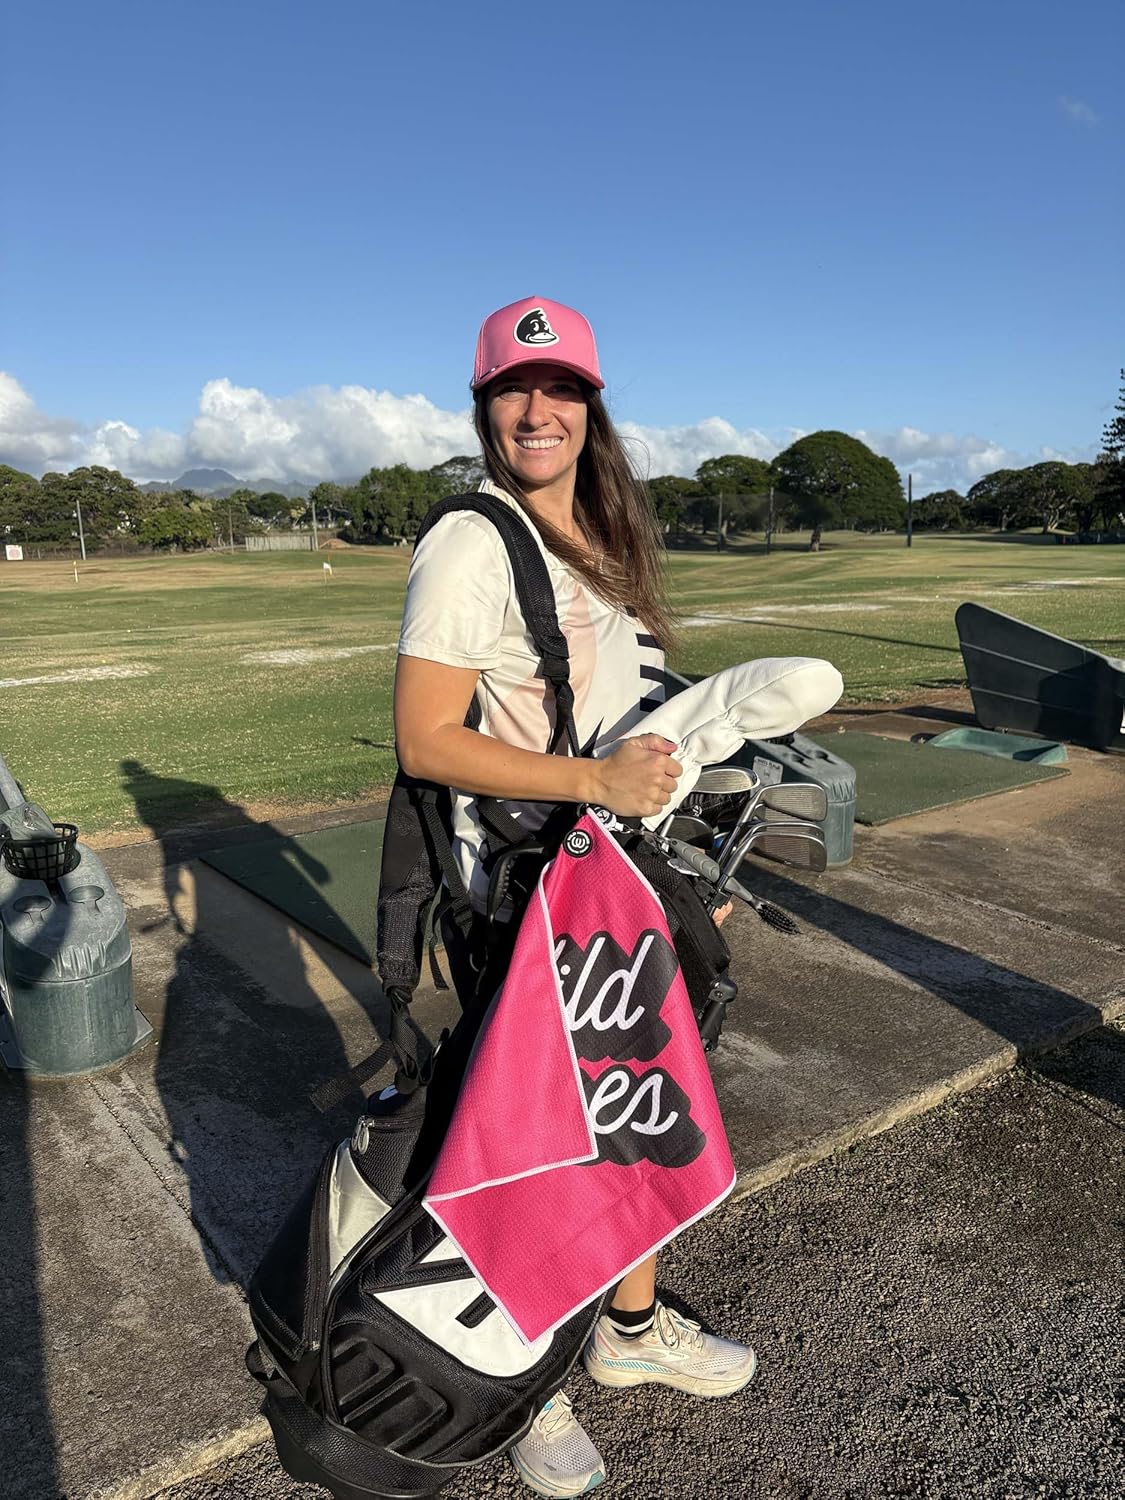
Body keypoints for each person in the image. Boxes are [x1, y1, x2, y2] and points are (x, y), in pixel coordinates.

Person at [394, 295, 757, 1497]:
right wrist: (597, 783)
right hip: (526, 892)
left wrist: (670, 828)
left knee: (632, 1113)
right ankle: (525, 1385)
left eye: (561, 390)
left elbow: (618, 707)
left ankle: (630, 1330)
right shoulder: (472, 541)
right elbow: (427, 739)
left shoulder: (596, 535)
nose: (537, 410)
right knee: (534, 1143)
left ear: (592, 409)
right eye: (514, 388)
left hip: (611, 877)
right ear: (484, 406)